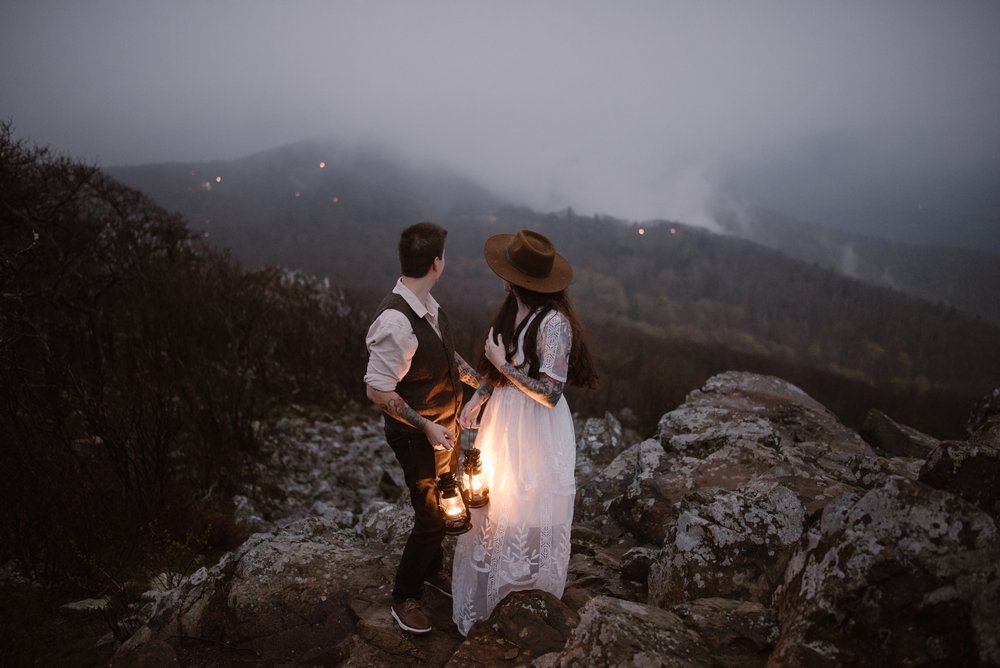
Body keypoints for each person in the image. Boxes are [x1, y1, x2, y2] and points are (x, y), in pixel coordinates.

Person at [452, 229, 598, 636]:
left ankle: (527, 598)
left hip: (537, 426)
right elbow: (496, 370)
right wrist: (478, 399)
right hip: (504, 417)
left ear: (511, 278)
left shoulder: (555, 324)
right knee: (497, 503)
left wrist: (503, 369)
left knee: (529, 502)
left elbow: (550, 393)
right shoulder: (509, 310)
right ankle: (490, 598)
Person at [365, 221, 480, 634]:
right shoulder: (394, 323)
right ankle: (404, 596)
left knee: (446, 496)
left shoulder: (429, 306)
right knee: (430, 516)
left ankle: (432, 571)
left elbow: (447, 357)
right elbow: (378, 392)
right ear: (437, 263)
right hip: (415, 436)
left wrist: (478, 383)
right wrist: (427, 428)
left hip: (443, 427)